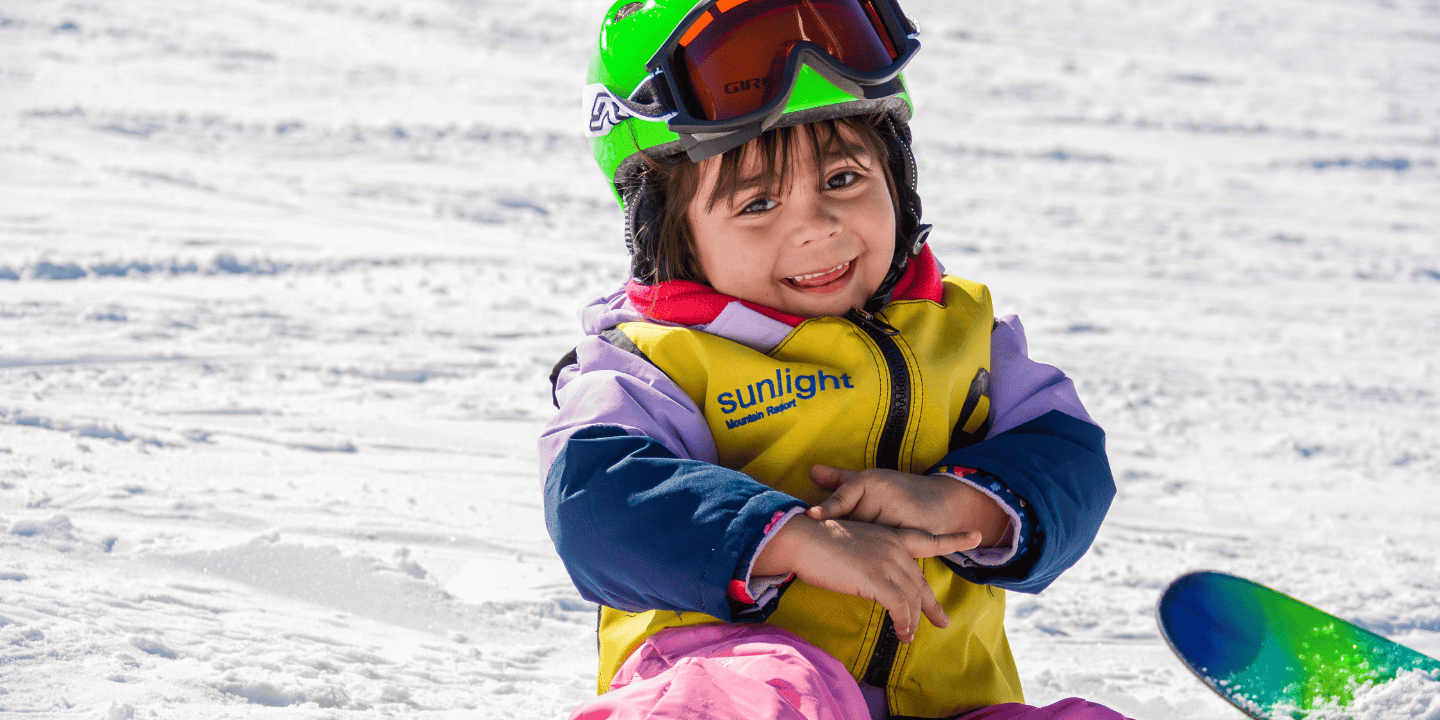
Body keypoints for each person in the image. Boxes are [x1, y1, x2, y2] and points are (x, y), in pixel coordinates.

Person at [539, 0, 1123, 717]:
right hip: (736, 682)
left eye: (843, 180)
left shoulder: (963, 333)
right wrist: (792, 540)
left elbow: (1070, 460)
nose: (816, 228)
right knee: (769, 691)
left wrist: (964, 502)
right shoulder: (651, 362)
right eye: (757, 205)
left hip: (943, 704)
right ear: (670, 231)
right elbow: (594, 503)